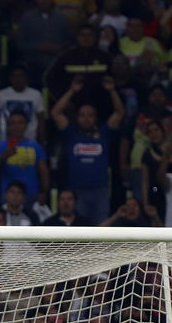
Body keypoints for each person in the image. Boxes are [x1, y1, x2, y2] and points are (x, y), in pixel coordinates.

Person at [51, 74, 125, 225]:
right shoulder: (71, 133)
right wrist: (72, 90)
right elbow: (55, 112)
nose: (86, 118)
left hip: (101, 191)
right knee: (79, 232)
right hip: (77, 192)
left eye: (90, 115)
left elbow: (120, 113)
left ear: (95, 118)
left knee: (101, 232)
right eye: (82, 115)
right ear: (77, 117)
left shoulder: (104, 132)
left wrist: (112, 91)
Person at [0, 111, 49, 210]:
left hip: (32, 194)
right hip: (8, 195)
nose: (17, 126)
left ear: (26, 125)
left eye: (20, 123)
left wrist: (44, 192)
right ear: (9, 126)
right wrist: (4, 156)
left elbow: (44, 171)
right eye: (13, 123)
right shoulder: (1, 145)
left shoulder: (35, 145)